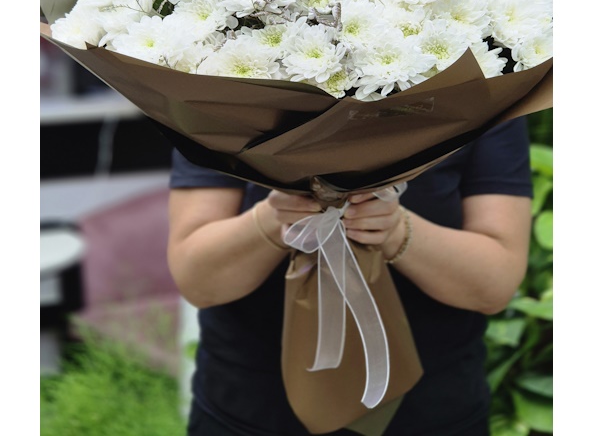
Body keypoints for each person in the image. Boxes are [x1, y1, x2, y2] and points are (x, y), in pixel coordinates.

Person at [167, 116, 533, 436]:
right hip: (248, 406)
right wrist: (275, 219)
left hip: (432, 409)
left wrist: (395, 230)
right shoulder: (218, 80)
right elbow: (197, 279)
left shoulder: (485, 88)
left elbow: (494, 284)